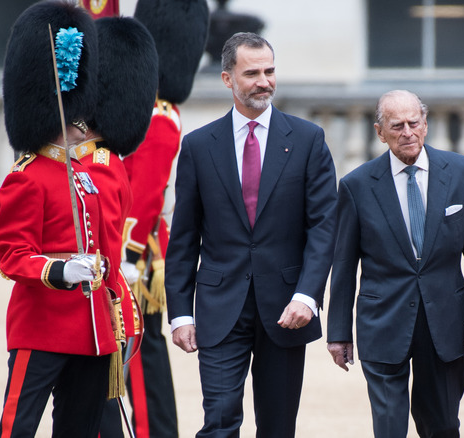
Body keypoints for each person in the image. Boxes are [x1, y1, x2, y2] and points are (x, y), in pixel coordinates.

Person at [164, 32, 338, 437]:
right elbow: (184, 237)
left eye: (270, 71)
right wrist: (181, 313)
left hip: (287, 309)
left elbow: (324, 227)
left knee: (277, 428)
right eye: (252, 73)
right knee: (219, 422)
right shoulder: (198, 145)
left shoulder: (309, 140)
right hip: (219, 308)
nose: (264, 81)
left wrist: (307, 296)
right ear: (227, 79)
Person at [326, 89, 464, 438]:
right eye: (397, 125)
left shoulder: (463, 172)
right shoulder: (356, 186)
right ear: (379, 132)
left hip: (446, 322)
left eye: (414, 123)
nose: (407, 132)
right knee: (389, 429)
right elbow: (343, 265)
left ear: (426, 125)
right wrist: (339, 332)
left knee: (444, 426)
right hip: (382, 321)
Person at [0, 2, 118, 436]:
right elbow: (12, 255)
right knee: (19, 426)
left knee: (80, 429)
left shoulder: (83, 173)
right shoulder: (26, 178)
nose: (85, 124)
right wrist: (60, 268)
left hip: (91, 328)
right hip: (42, 326)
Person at [67, 16, 159, 437]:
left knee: (97, 419)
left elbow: (100, 244)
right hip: (99, 300)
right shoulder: (100, 160)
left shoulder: (98, 166)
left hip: (96, 305)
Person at [122, 1, 208, 436]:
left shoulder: (158, 115)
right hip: (134, 250)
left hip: (138, 258)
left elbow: (147, 194)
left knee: (138, 355)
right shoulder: (140, 109)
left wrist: (127, 257)